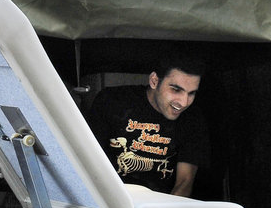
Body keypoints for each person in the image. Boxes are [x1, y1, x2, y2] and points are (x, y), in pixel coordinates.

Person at [86, 59, 210, 197]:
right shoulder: (112, 101)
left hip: (159, 204)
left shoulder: (192, 118)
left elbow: (185, 182)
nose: (184, 102)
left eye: (191, 93)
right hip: (108, 197)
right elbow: (88, 160)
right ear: (154, 81)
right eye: (176, 90)